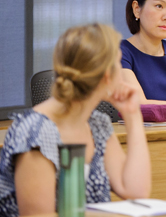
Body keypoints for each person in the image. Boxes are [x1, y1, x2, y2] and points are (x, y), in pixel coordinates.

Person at [0, 24, 151, 216]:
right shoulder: (33, 131)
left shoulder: (97, 124)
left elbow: (135, 191)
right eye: (119, 64)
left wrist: (133, 115)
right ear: (107, 75)